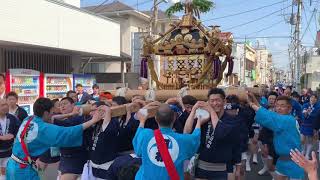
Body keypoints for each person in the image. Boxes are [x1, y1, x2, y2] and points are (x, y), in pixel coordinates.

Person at [6, 97, 106, 180]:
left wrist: (71, 114)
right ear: (45, 113)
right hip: (22, 170)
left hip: (12, 164)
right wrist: (93, 120)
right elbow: (69, 132)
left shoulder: (30, 119)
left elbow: (53, 118)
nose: (52, 115)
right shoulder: (44, 129)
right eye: (51, 112)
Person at [133, 103, 204, 179]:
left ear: (156, 118)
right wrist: (199, 121)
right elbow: (195, 137)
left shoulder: (145, 134)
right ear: (174, 118)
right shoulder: (183, 140)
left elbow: (138, 151)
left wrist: (142, 121)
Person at [184, 88, 240, 180]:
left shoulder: (231, 120)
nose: (215, 104)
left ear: (224, 101)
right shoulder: (204, 117)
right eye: (212, 101)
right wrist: (194, 110)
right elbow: (186, 131)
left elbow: (220, 133)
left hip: (222, 168)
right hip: (201, 166)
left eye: (218, 100)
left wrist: (237, 167)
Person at [247, 94, 304, 179]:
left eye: (282, 106)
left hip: (294, 161)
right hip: (282, 159)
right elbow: (268, 114)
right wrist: (254, 101)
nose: (279, 108)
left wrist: (251, 104)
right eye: (277, 105)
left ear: (289, 109)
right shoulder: (282, 118)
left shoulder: (288, 120)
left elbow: (268, 116)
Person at [51, 97, 93, 180]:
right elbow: (52, 118)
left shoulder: (80, 118)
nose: (62, 106)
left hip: (77, 159)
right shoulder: (65, 118)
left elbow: (53, 119)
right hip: (64, 160)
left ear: (73, 105)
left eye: (65, 104)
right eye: (60, 105)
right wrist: (70, 114)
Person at [88, 101, 120, 179]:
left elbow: (107, 131)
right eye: (91, 110)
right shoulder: (95, 121)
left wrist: (107, 112)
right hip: (93, 163)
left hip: (106, 165)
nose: (91, 113)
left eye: (94, 110)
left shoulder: (113, 122)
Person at [257, 91, 278, 179]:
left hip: (274, 137)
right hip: (263, 134)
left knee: (272, 159)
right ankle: (265, 167)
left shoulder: (279, 110)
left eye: (273, 99)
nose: (271, 100)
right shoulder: (264, 108)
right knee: (263, 153)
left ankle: (275, 175)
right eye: (270, 99)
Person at [0, 99, 20, 178]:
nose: (5, 107)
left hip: (8, 151)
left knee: (6, 173)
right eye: (2, 105)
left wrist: (15, 137)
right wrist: (1, 137)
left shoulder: (12, 118)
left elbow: (18, 131)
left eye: (6, 105)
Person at [301, 94, 319, 160]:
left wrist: (309, 113)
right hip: (304, 124)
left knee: (310, 140)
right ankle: (303, 150)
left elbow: (316, 115)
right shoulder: (305, 104)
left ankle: (307, 154)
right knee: (302, 140)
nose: (312, 99)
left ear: (316, 99)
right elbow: (303, 112)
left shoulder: (318, 106)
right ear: (309, 98)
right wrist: (306, 113)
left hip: (312, 125)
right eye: (311, 97)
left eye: (314, 98)